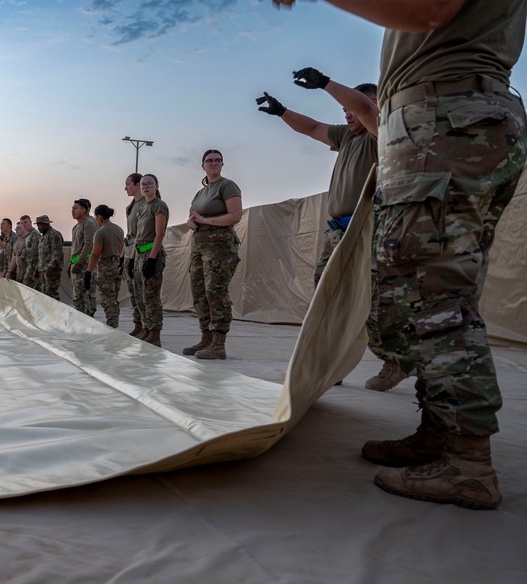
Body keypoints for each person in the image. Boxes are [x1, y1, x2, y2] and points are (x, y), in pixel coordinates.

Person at [275, 0, 527, 510]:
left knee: (432, 297)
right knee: (431, 293)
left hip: (444, 118)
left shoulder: (372, 115)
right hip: (451, 115)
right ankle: (440, 436)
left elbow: (428, 8)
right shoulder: (347, 134)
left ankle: (467, 463)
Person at [257, 79, 408, 392]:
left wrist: (326, 83)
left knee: (372, 299)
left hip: (368, 229)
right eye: (344, 109)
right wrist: (283, 111)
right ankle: (330, 365)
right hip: (336, 231)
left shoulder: (384, 134)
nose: (347, 114)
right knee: (325, 296)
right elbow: (312, 128)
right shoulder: (347, 136)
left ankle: (395, 361)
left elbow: (369, 113)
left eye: (353, 108)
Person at [184, 150, 242, 360]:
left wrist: (205, 220)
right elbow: (194, 216)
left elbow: (235, 216)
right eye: (209, 161)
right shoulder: (201, 192)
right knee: (199, 292)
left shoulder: (227, 186)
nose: (213, 163)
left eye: (217, 160)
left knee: (215, 291)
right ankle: (206, 338)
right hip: (199, 245)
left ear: (222, 164)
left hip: (220, 246)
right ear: (203, 166)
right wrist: (192, 222)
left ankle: (219, 343)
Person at [133, 174, 168, 347]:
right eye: (143, 184)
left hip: (150, 254)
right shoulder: (142, 207)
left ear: (156, 185)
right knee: (140, 296)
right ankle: (146, 329)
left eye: (150, 184)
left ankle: (155, 333)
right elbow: (138, 235)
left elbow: (160, 234)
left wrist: (152, 259)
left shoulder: (159, 206)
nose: (146, 186)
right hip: (139, 255)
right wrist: (132, 258)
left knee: (151, 296)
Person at [85, 204, 125, 328]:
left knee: (106, 298)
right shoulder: (119, 229)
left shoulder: (100, 232)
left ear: (100, 216)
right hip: (118, 265)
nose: (95, 219)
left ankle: (112, 325)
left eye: (96, 217)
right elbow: (123, 247)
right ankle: (114, 323)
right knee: (113, 297)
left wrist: (88, 272)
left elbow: (95, 254)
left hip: (106, 267)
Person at [122, 173, 145, 335]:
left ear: (137, 185)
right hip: (129, 249)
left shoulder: (146, 204)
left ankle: (146, 327)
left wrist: (132, 258)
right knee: (133, 293)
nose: (125, 188)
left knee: (142, 292)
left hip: (139, 251)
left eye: (128, 184)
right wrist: (123, 256)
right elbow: (129, 234)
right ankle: (138, 325)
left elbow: (140, 234)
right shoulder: (131, 206)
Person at [68, 198, 98, 316]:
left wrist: (80, 262)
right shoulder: (76, 227)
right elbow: (75, 248)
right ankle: (81, 318)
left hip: (84, 264)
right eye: (72, 209)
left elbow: (88, 244)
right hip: (75, 263)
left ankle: (89, 318)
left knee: (87, 293)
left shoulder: (89, 223)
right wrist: (71, 264)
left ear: (84, 210)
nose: (72, 211)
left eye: (75, 208)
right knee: (78, 295)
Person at [35, 215, 65, 300]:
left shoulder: (54, 234)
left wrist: (51, 266)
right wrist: (38, 268)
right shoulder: (43, 236)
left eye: (41, 225)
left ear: (47, 224)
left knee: (51, 294)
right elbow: (41, 254)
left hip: (52, 270)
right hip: (43, 270)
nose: (39, 227)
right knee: (44, 294)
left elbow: (56, 252)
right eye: (38, 225)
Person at [22, 214, 42, 289]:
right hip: (30, 264)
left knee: (28, 287)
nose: (24, 225)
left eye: (25, 222)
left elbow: (36, 250)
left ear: (30, 222)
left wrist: (24, 251)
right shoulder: (29, 235)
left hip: (35, 265)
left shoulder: (35, 234)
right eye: (22, 223)